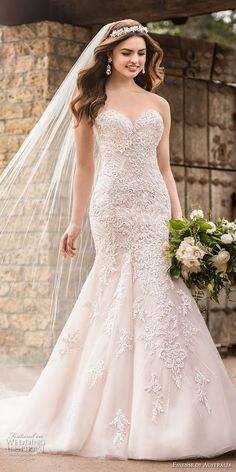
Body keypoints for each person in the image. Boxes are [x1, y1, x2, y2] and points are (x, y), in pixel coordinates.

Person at [0, 18, 236, 461]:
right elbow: (84, 167)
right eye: (127, 52)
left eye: (141, 54)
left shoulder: (158, 104)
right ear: (109, 55)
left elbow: (165, 169)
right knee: (115, 292)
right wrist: (74, 221)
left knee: (163, 295)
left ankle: (178, 415)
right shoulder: (88, 102)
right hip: (111, 209)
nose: (135, 60)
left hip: (152, 207)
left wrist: (180, 222)